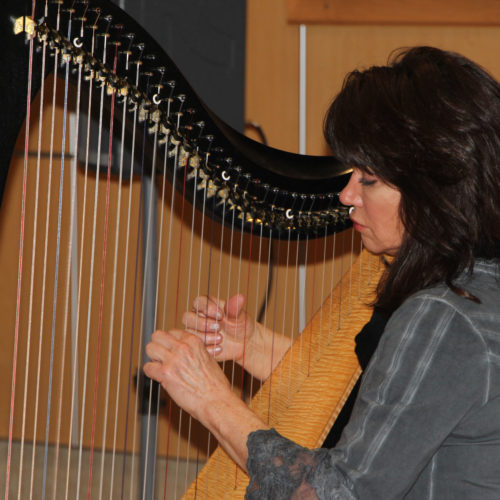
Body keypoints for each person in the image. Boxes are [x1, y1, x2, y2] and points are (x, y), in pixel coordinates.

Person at [143, 46, 500, 499]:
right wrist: (257, 346)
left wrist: (211, 399)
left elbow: (332, 493)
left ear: (434, 186)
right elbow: (402, 405)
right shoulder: (478, 287)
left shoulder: (444, 313)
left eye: (368, 179)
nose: (347, 194)